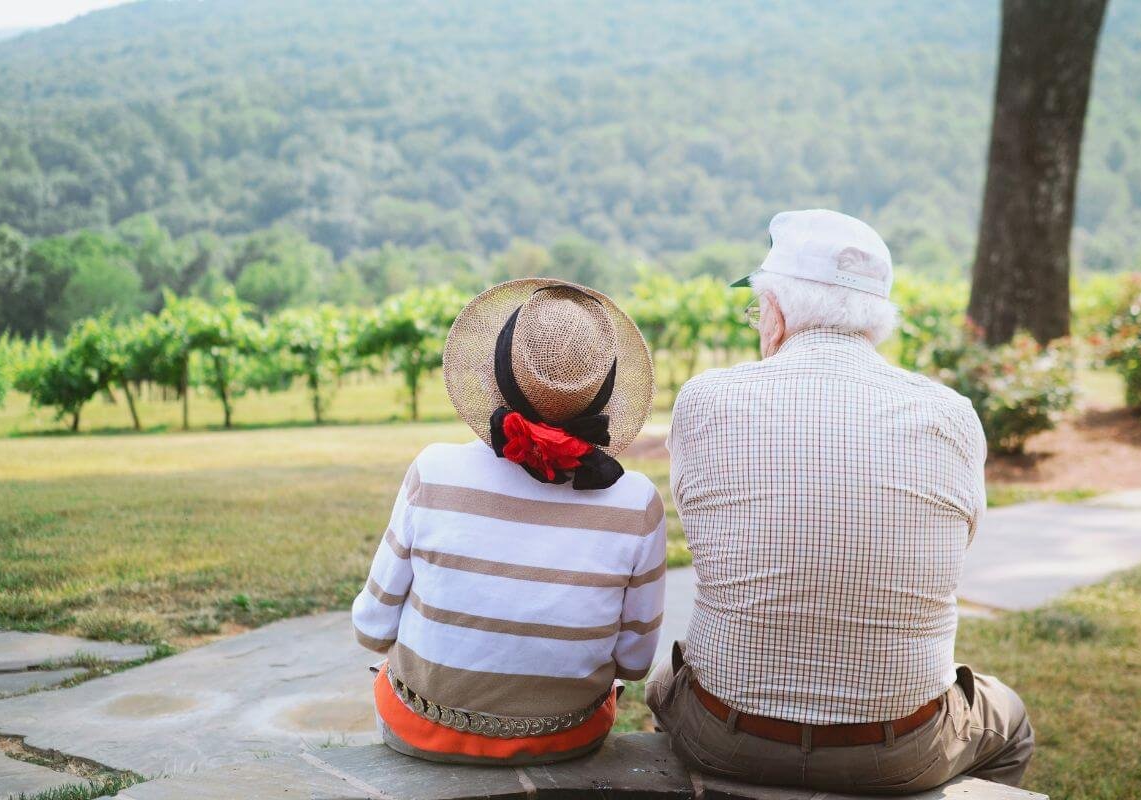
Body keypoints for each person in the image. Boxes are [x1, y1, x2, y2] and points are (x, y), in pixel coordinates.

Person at [649, 210, 1034, 793]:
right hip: (902, 749)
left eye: (758, 308)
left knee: (663, 684)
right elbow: (959, 541)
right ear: (877, 320)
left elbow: (705, 529)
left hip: (725, 735)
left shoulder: (706, 399)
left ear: (775, 310)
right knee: (1012, 720)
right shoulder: (951, 414)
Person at [352, 279, 667, 765]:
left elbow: (372, 627)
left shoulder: (434, 471)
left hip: (422, 727)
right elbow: (635, 663)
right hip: (568, 737)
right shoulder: (636, 501)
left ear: (496, 374)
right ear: (602, 393)